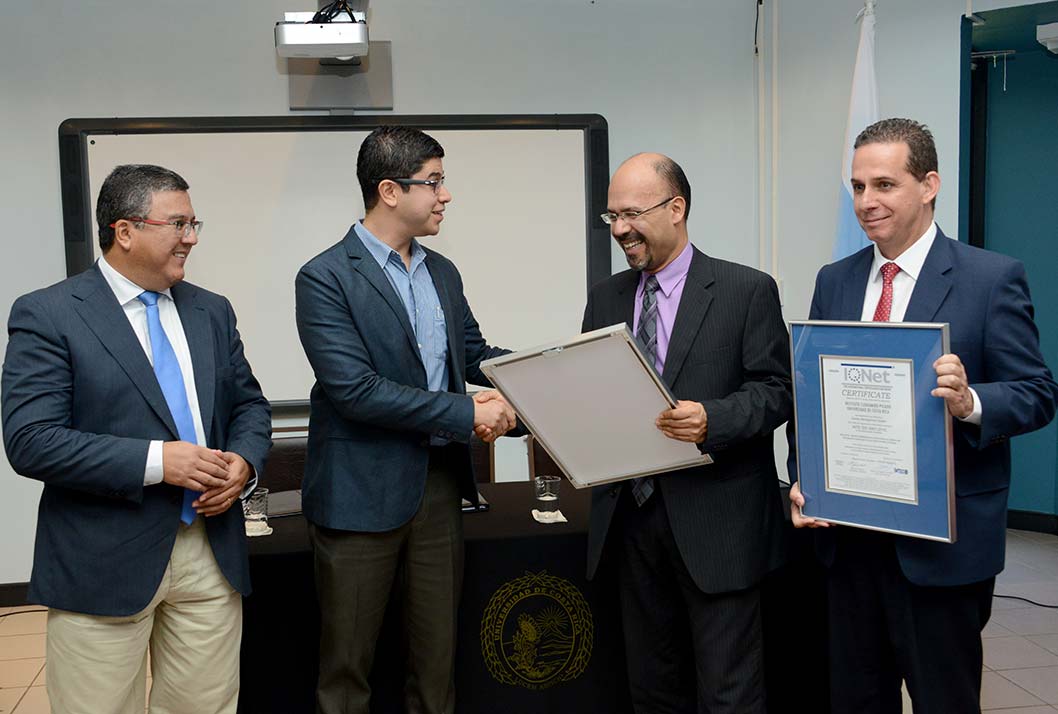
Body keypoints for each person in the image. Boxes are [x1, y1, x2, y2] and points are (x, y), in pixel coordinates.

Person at [788, 118, 1058, 713]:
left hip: (942, 547)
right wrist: (802, 480)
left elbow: (1038, 392)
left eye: (884, 184)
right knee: (855, 700)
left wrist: (972, 402)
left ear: (929, 184)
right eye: (857, 187)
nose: (866, 202)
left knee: (945, 700)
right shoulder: (835, 280)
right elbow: (810, 393)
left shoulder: (990, 279)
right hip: (850, 542)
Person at [1, 164, 272, 714]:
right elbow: (30, 439)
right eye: (178, 223)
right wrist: (157, 461)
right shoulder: (49, 313)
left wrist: (244, 461)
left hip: (210, 551)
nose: (191, 237)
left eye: (195, 223)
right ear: (125, 231)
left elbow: (248, 405)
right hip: (104, 557)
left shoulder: (211, 310)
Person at [294, 125, 516, 714]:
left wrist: (540, 379)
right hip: (357, 496)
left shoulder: (442, 271)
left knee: (436, 665)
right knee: (347, 672)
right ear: (389, 190)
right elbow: (356, 391)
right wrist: (467, 412)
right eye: (434, 183)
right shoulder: (325, 277)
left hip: (438, 490)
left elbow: (473, 354)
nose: (446, 196)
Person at [581, 153, 791, 713]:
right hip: (630, 521)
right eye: (611, 217)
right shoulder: (605, 297)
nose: (620, 229)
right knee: (652, 688)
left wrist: (712, 420)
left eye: (631, 213)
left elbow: (777, 391)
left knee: (729, 693)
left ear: (677, 208)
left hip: (718, 525)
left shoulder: (747, 290)